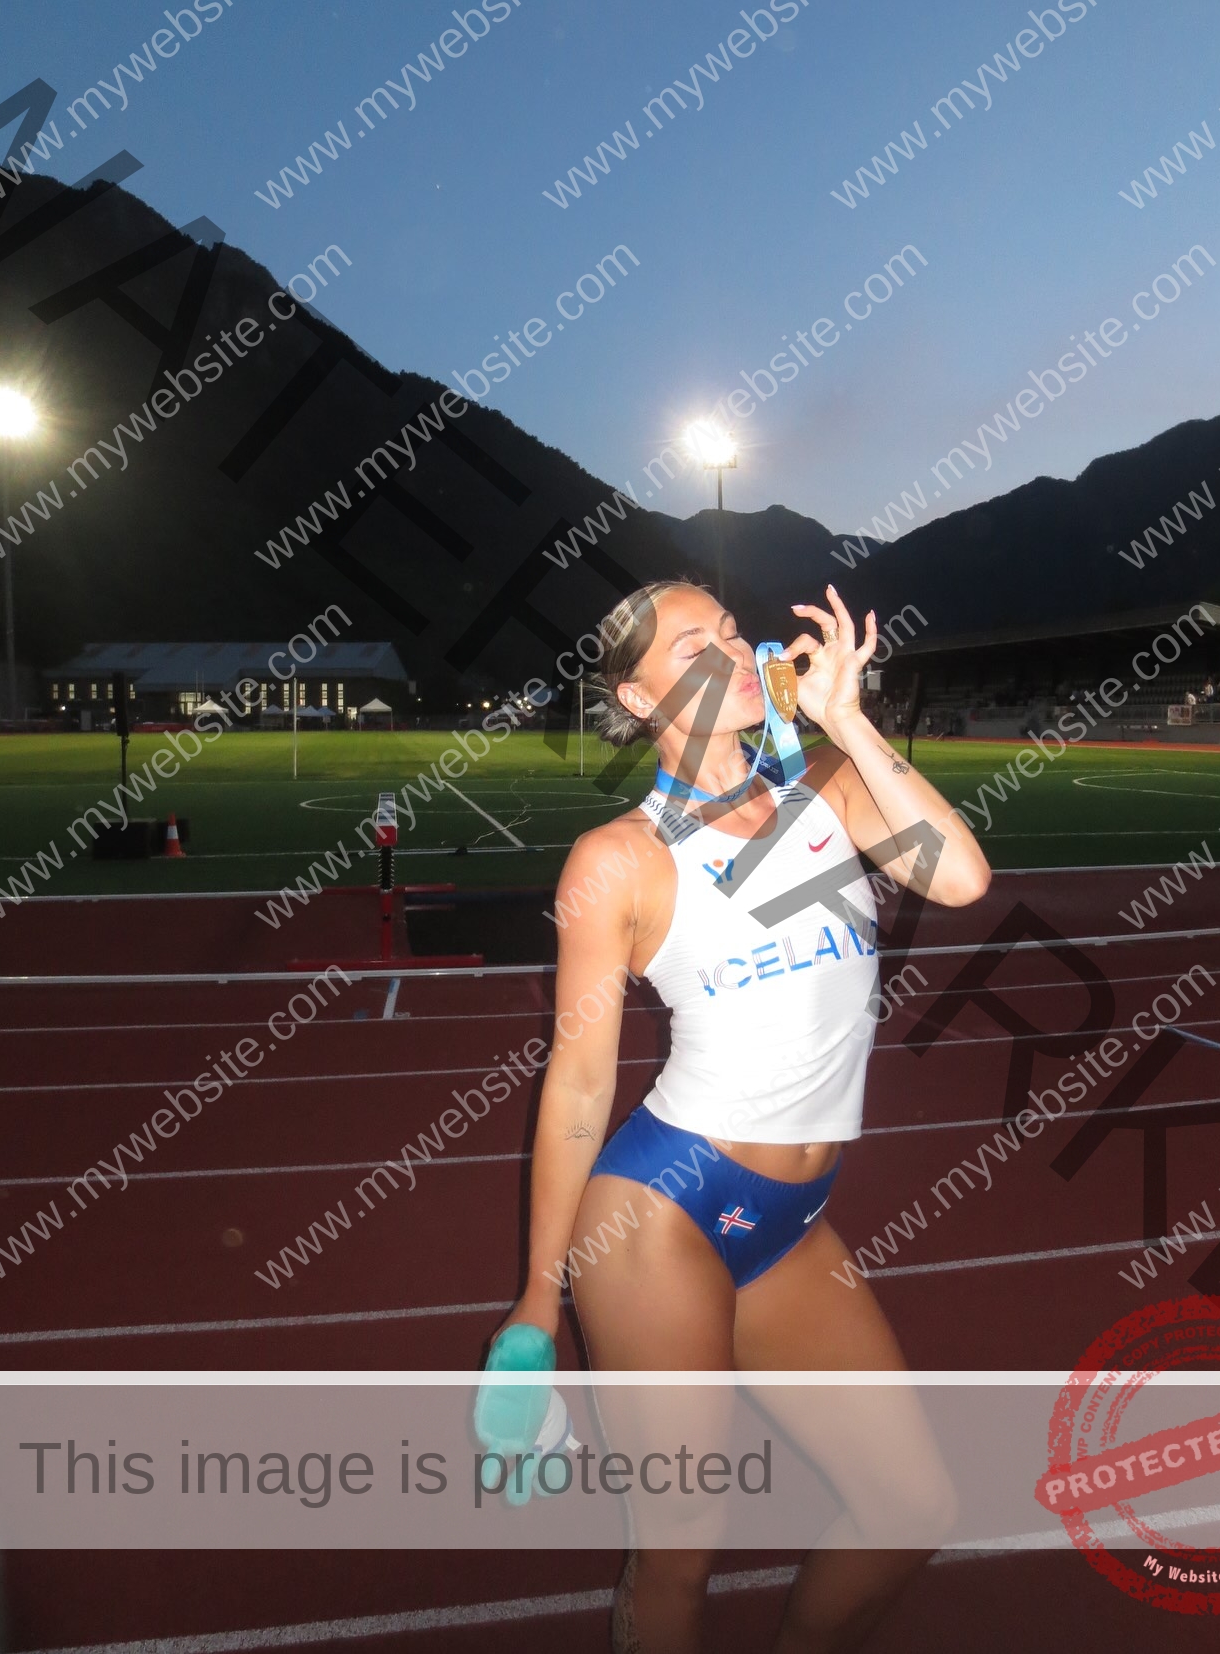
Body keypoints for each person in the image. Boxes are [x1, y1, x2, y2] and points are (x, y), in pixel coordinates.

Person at [491, 579, 991, 1653]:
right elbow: (577, 1084)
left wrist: (846, 716)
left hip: (792, 1220)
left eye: (728, 629)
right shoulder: (618, 859)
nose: (728, 650)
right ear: (637, 697)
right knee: (679, 1551)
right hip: (660, 1213)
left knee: (911, 1508)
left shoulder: (827, 788)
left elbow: (959, 878)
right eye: (690, 646)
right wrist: (538, 1296)